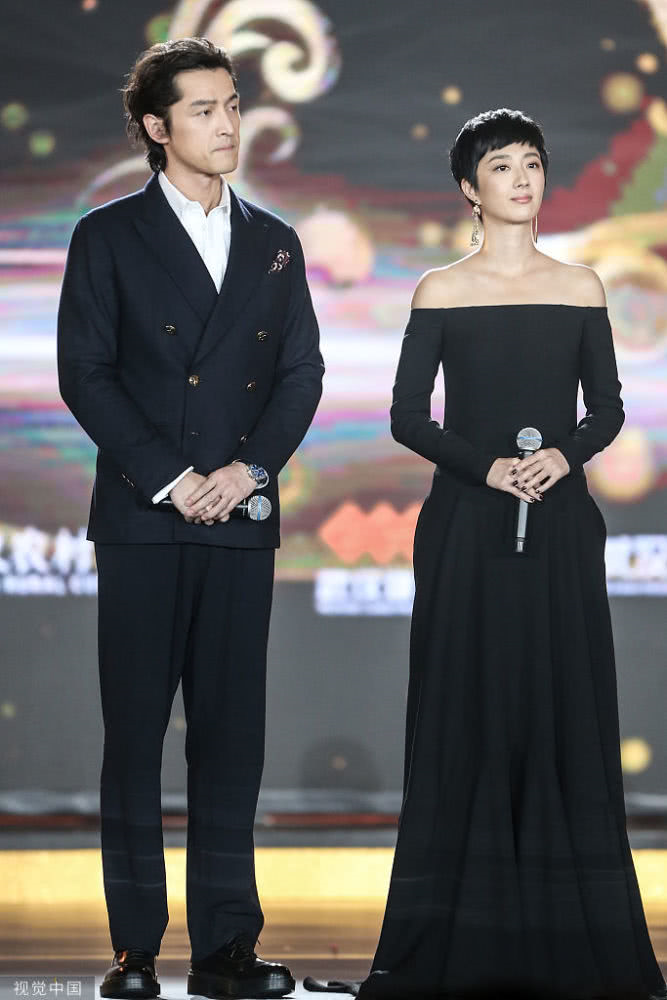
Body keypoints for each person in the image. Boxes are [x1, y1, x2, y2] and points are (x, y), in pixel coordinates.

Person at [310, 109, 666, 999]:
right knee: (467, 707)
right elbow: (407, 415)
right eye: (501, 166)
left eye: (532, 163)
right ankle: (456, 936)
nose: (521, 178)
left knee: (560, 705)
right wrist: (489, 467)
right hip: (467, 526)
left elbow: (607, 409)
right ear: (469, 189)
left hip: (560, 525)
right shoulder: (439, 291)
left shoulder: (580, 286)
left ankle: (572, 936)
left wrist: (561, 457)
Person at [57, 37, 324, 1000]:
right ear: (156, 127)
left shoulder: (275, 241)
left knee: (230, 739)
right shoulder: (107, 235)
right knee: (134, 738)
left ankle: (226, 948)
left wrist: (246, 471)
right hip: (144, 518)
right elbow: (85, 374)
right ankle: (134, 950)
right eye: (203, 109)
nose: (226, 123)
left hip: (241, 517)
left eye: (232, 104)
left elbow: (300, 372)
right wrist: (174, 477)